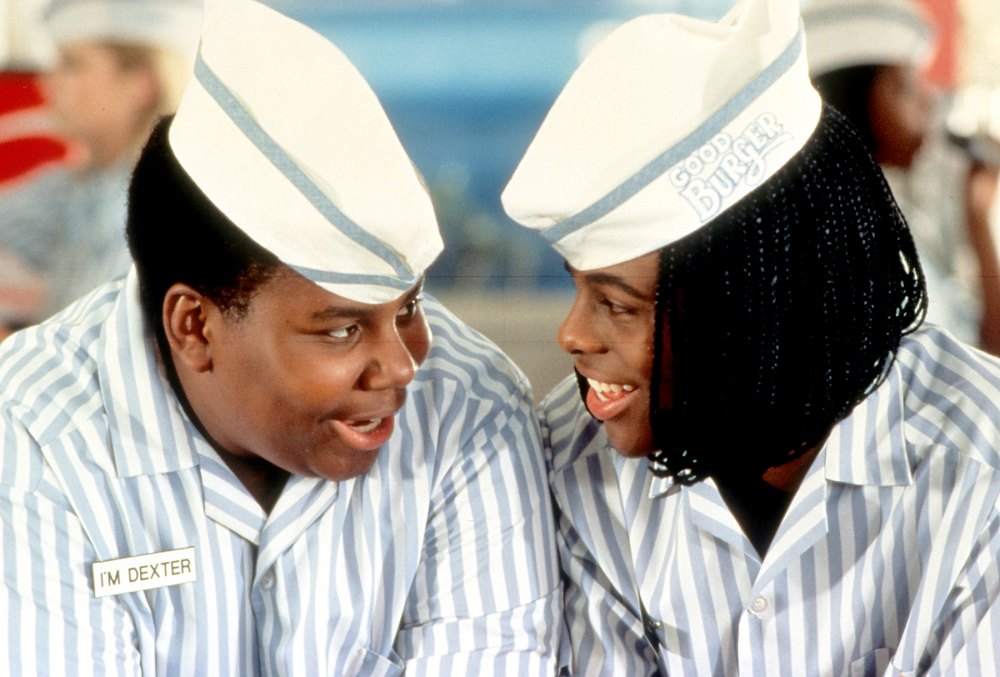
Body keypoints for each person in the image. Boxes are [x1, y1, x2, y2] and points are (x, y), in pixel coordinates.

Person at [0, 0, 561, 673]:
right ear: (193, 326)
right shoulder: (34, 429)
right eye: (344, 328)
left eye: (410, 306)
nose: (404, 365)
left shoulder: (471, 410)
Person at [501, 0, 1000, 673]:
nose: (573, 334)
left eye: (616, 305)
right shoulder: (573, 453)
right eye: (579, 288)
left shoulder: (980, 466)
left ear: (755, 307)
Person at [803, 0, 1000, 356]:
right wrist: (977, 220)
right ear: (852, 106)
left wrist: (975, 212)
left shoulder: (885, 207)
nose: (930, 102)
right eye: (906, 89)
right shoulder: (863, 237)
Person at [0, 0, 201, 338]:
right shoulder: (81, 184)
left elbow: (91, 352)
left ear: (142, 84)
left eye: (72, 65)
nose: (47, 83)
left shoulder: (154, 206)